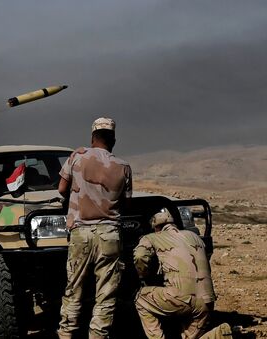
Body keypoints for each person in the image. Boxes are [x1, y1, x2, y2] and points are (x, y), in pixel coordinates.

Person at [57, 117, 132, 339]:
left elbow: (62, 188)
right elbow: (126, 203)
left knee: (73, 290)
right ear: (114, 140)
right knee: (106, 294)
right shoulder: (124, 167)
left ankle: (66, 334)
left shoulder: (77, 157)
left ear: (92, 137)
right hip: (109, 235)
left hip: (81, 233)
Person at [134, 209, 231, 339]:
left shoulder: (152, 237)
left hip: (181, 299)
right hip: (207, 302)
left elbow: (140, 256)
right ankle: (220, 334)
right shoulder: (194, 236)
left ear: (156, 227)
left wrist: (142, 275)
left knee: (140, 299)